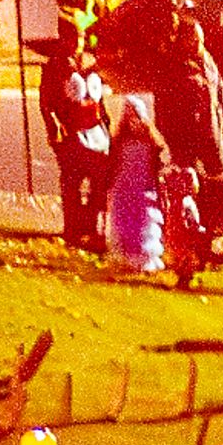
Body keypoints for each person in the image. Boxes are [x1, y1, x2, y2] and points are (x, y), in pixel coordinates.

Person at [45, 17, 113, 251]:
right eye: (73, 37)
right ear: (63, 39)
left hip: (95, 132)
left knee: (99, 183)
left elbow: (100, 99)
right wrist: (54, 127)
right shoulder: (54, 66)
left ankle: (93, 228)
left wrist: (107, 125)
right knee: (71, 183)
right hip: (70, 133)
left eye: (81, 37)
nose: (77, 42)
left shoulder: (90, 64)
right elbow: (47, 103)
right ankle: (72, 229)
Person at [152, 0, 223, 178]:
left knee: (219, 177)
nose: (198, 44)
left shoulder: (207, 60)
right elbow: (161, 104)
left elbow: (218, 88)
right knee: (186, 180)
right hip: (183, 137)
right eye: (193, 40)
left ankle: (215, 206)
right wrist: (168, 135)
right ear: (182, 39)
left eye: (200, 40)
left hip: (210, 132)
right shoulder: (171, 66)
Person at [105, 97, 165, 271]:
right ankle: (125, 257)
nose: (132, 121)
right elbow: (113, 165)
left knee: (144, 223)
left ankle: (145, 258)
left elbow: (157, 166)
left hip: (143, 190)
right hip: (123, 189)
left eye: (136, 116)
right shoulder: (119, 142)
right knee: (124, 224)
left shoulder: (152, 144)